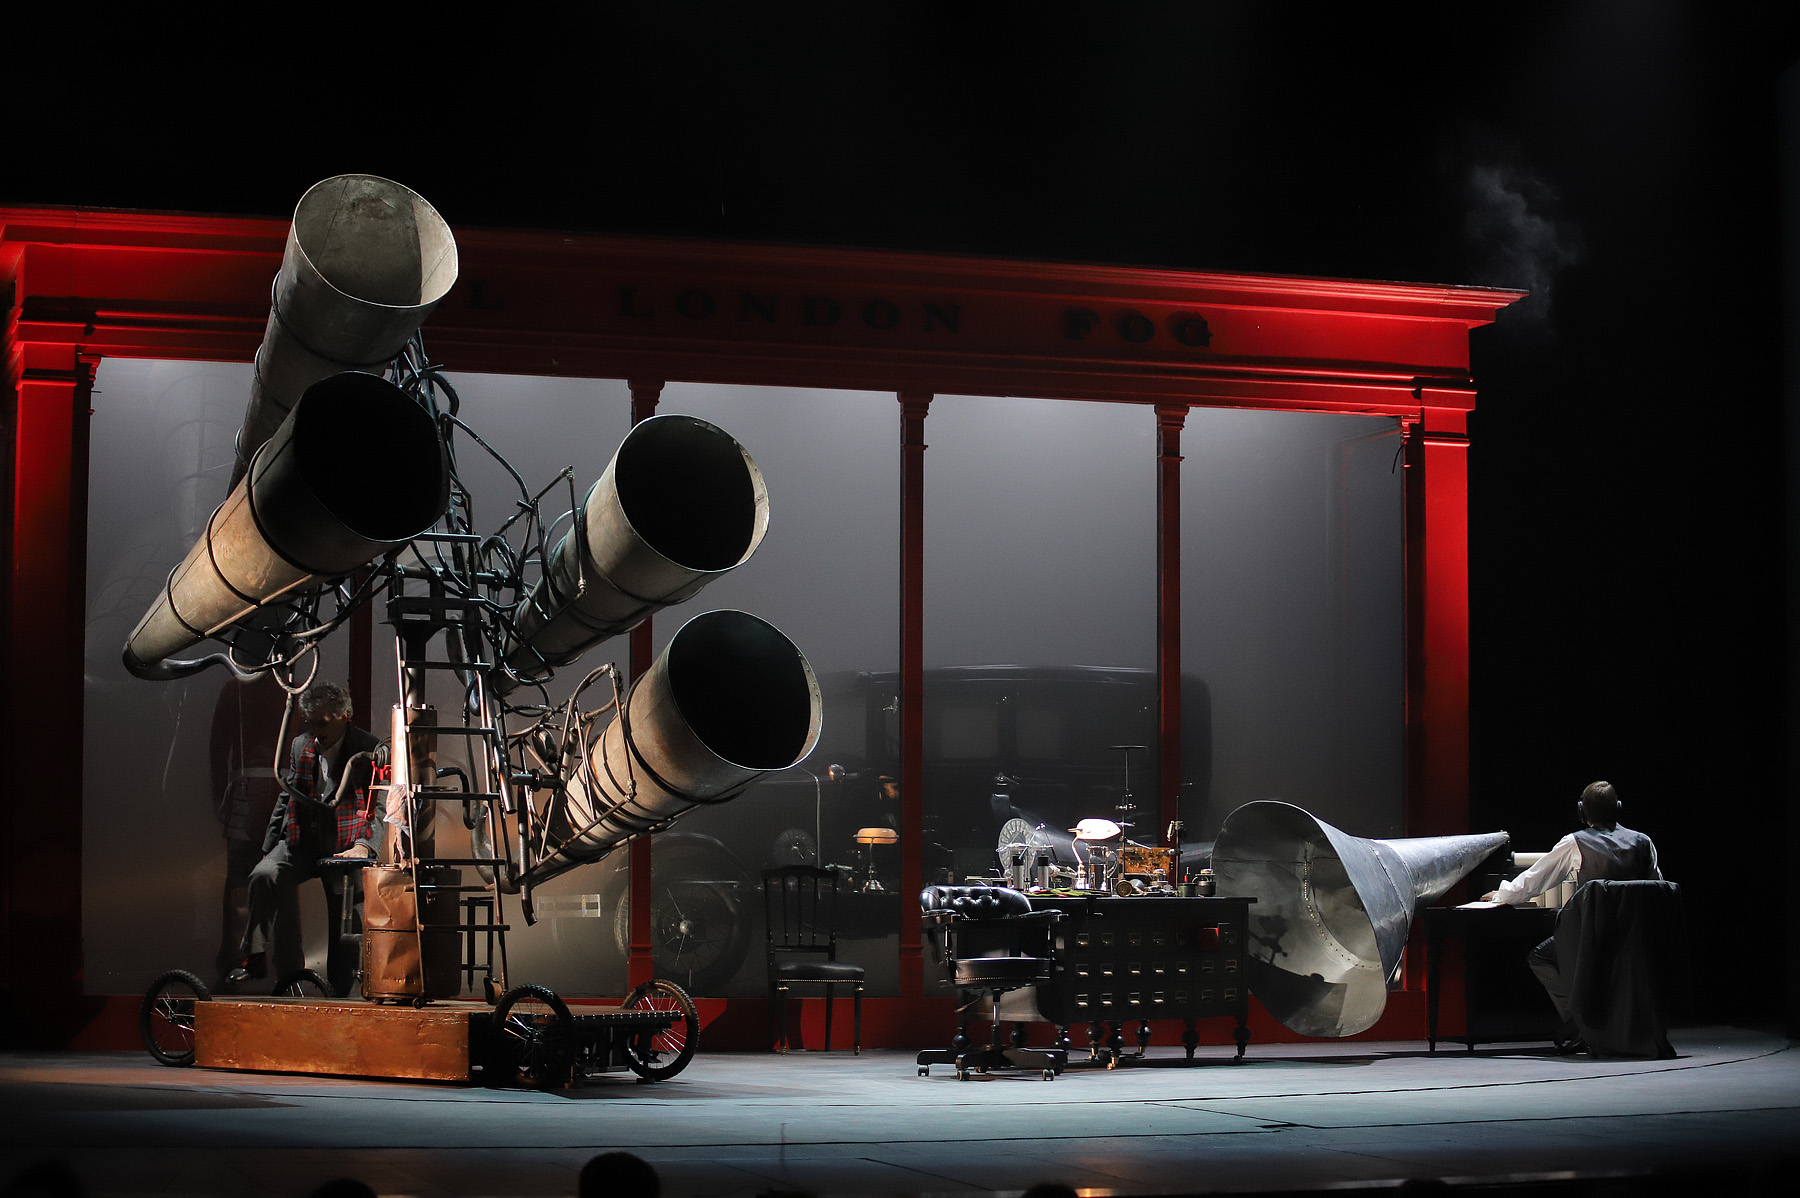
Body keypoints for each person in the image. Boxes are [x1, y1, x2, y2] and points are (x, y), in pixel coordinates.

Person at [228, 681, 385, 995]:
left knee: (346, 918)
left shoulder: (368, 749)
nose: (315, 730)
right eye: (311, 722)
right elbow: (288, 795)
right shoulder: (302, 744)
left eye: (322, 723)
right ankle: (255, 956)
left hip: (344, 847)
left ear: (345, 715)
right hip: (302, 841)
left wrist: (363, 845)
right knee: (263, 875)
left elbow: (377, 805)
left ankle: (342, 989)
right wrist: (269, 848)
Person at [1480, 780, 1662, 1048]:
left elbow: (1534, 880)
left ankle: (1581, 1022)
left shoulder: (1575, 843)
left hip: (1592, 940)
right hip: (1635, 942)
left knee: (1540, 957)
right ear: (1618, 808)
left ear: (1582, 811)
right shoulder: (1644, 842)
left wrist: (1501, 895)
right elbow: (1657, 890)